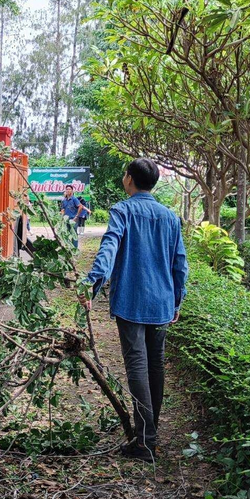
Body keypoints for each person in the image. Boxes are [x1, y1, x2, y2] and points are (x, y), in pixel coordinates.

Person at [78, 158, 188, 462]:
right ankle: (148, 434)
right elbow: (180, 262)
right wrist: (177, 299)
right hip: (162, 303)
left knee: (138, 366)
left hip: (131, 300)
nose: (123, 178)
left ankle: (145, 440)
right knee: (155, 365)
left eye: (125, 174)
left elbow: (109, 246)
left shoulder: (123, 211)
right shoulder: (169, 216)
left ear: (130, 179)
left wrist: (92, 282)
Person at [59, 184, 85, 249]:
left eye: (69, 189)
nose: (68, 190)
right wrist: (62, 217)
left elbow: (80, 206)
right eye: (67, 189)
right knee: (66, 234)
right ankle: (68, 248)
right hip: (66, 220)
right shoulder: (64, 200)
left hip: (73, 220)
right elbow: (62, 209)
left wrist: (76, 216)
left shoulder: (74, 199)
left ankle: (74, 249)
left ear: (72, 191)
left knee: (74, 234)